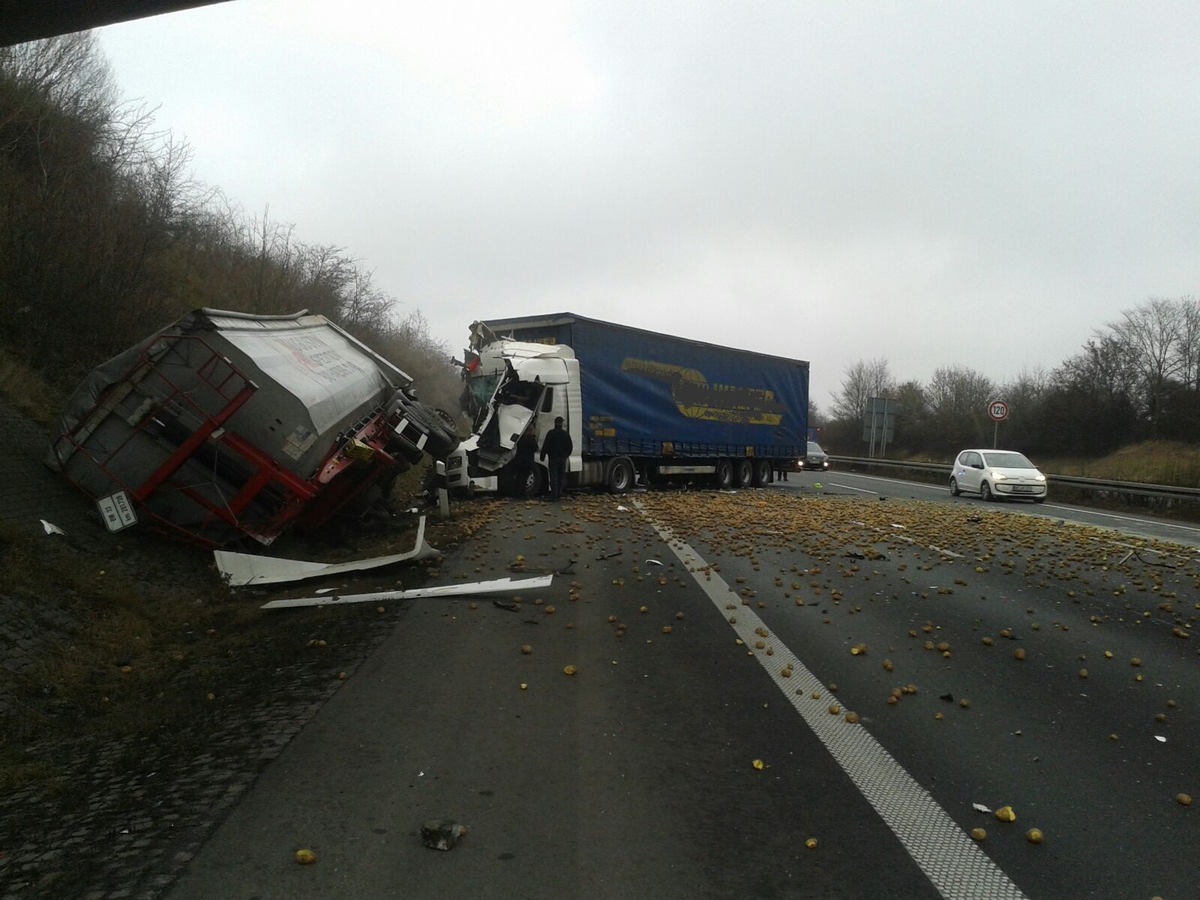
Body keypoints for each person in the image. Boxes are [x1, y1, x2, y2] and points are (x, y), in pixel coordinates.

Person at [540, 416, 573, 500]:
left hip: (553, 458)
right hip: (562, 458)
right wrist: (566, 455)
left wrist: (542, 455)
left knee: (553, 476)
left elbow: (546, 445)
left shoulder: (551, 433)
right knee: (561, 476)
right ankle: (559, 493)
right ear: (562, 423)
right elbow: (570, 447)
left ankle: (553, 494)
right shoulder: (565, 434)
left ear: (554, 423)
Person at [512, 428, 539, 497]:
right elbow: (535, 448)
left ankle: (516, 493)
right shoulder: (531, 439)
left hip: (519, 460)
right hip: (527, 461)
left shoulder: (521, 438)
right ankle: (522, 494)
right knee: (524, 478)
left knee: (519, 477)